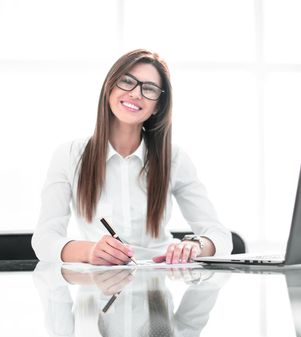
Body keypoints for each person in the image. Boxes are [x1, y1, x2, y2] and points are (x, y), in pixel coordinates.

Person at [32, 49, 232, 265]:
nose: (136, 94)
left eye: (149, 89)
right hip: (99, 289)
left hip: (159, 286)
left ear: (157, 106)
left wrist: (195, 246)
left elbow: (221, 237)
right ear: (109, 87)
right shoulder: (70, 155)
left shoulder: (173, 158)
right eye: (127, 82)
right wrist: (89, 252)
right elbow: (45, 240)